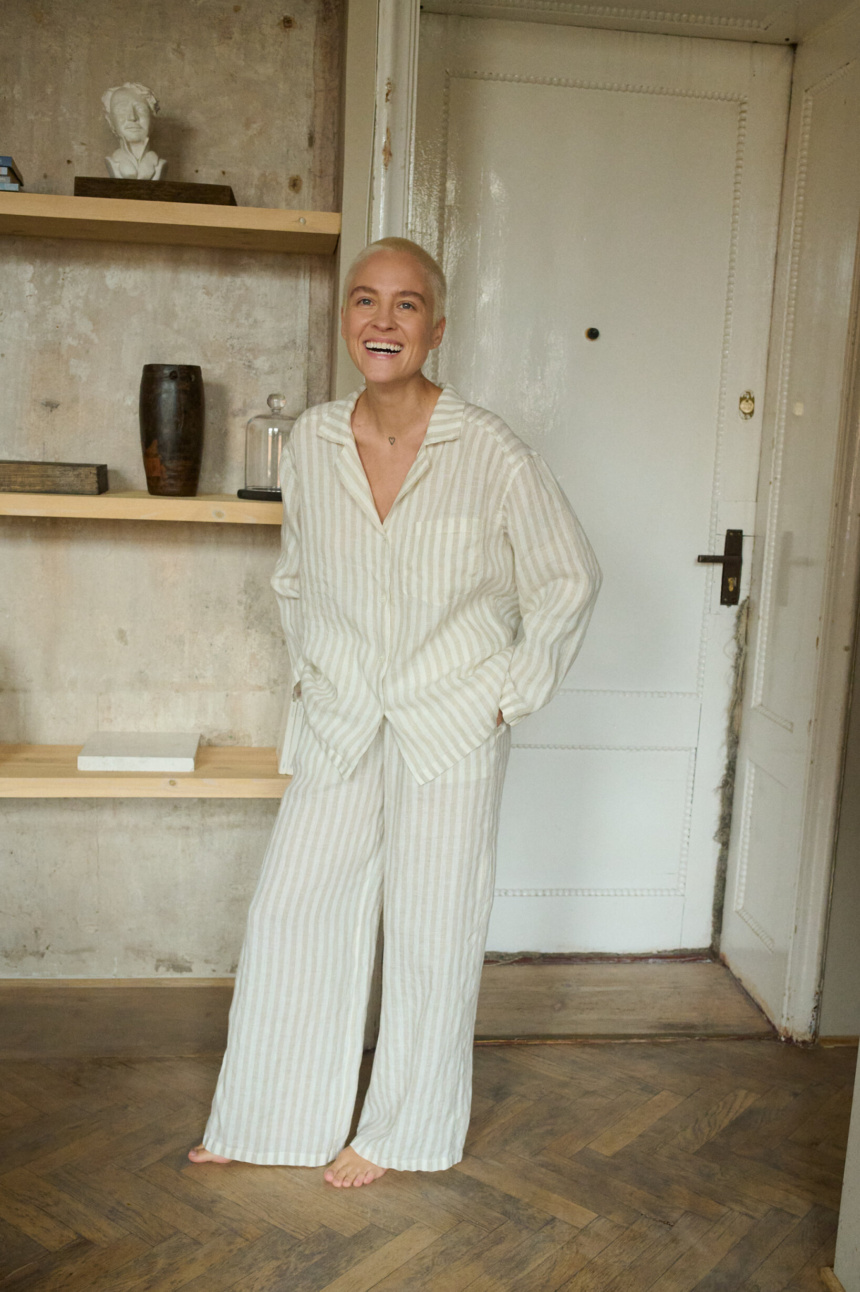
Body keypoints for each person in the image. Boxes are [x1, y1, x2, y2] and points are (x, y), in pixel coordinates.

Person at [188, 237, 601, 1188]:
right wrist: (317, 679)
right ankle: (269, 1118)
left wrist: (510, 693)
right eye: (366, 301)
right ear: (347, 323)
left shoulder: (490, 451)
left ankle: (402, 1132)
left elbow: (568, 576)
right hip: (341, 721)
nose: (383, 320)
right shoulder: (313, 445)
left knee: (431, 930)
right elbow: (297, 583)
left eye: (406, 304)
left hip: (451, 725)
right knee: (294, 913)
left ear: (438, 328)